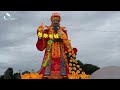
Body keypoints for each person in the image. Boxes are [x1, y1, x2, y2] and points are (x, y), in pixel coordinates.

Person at [36, 13, 77, 79]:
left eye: (57, 20)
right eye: (54, 20)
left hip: (61, 50)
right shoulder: (47, 31)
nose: (55, 22)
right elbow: (43, 41)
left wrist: (70, 50)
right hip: (50, 51)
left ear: (59, 21)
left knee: (63, 69)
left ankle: (63, 75)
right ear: (51, 21)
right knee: (47, 68)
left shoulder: (63, 31)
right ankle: (47, 75)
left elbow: (66, 42)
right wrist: (40, 35)